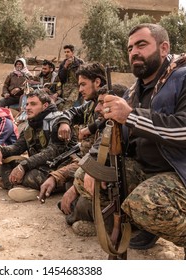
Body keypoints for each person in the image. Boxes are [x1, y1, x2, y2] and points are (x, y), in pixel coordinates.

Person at [97, 23, 186, 259]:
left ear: (164, 48)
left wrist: (130, 116)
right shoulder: (134, 91)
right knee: (92, 177)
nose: (133, 52)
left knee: (146, 203)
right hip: (153, 174)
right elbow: (116, 134)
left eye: (141, 45)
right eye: (130, 47)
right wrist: (97, 163)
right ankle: (149, 228)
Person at [57, 84, 128, 237]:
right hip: (106, 182)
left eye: (103, 103)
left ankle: (111, 225)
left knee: (83, 203)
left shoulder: (126, 127)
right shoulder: (106, 126)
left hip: (124, 188)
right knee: (72, 184)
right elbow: (93, 155)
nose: (97, 108)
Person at [0, 90, 77, 203]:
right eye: (27, 104)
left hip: (58, 168)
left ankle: (14, 184)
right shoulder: (30, 125)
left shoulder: (57, 122)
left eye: (33, 104)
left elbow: (52, 152)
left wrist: (24, 165)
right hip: (38, 165)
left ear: (45, 105)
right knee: (3, 162)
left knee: (32, 175)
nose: (28, 108)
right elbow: (17, 147)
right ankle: (17, 186)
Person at [40, 63, 107, 204]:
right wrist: (64, 122)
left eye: (83, 84)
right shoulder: (90, 105)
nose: (80, 89)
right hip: (84, 160)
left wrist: (57, 176)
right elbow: (71, 112)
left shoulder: (108, 107)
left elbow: (99, 154)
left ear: (97, 82)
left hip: (99, 166)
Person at [58, 44, 84, 110]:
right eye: (65, 52)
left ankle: (64, 115)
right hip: (66, 87)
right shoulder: (63, 63)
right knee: (64, 102)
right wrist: (65, 67)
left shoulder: (79, 62)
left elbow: (84, 74)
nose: (66, 54)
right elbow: (61, 77)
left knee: (70, 101)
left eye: (68, 52)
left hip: (76, 86)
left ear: (72, 52)